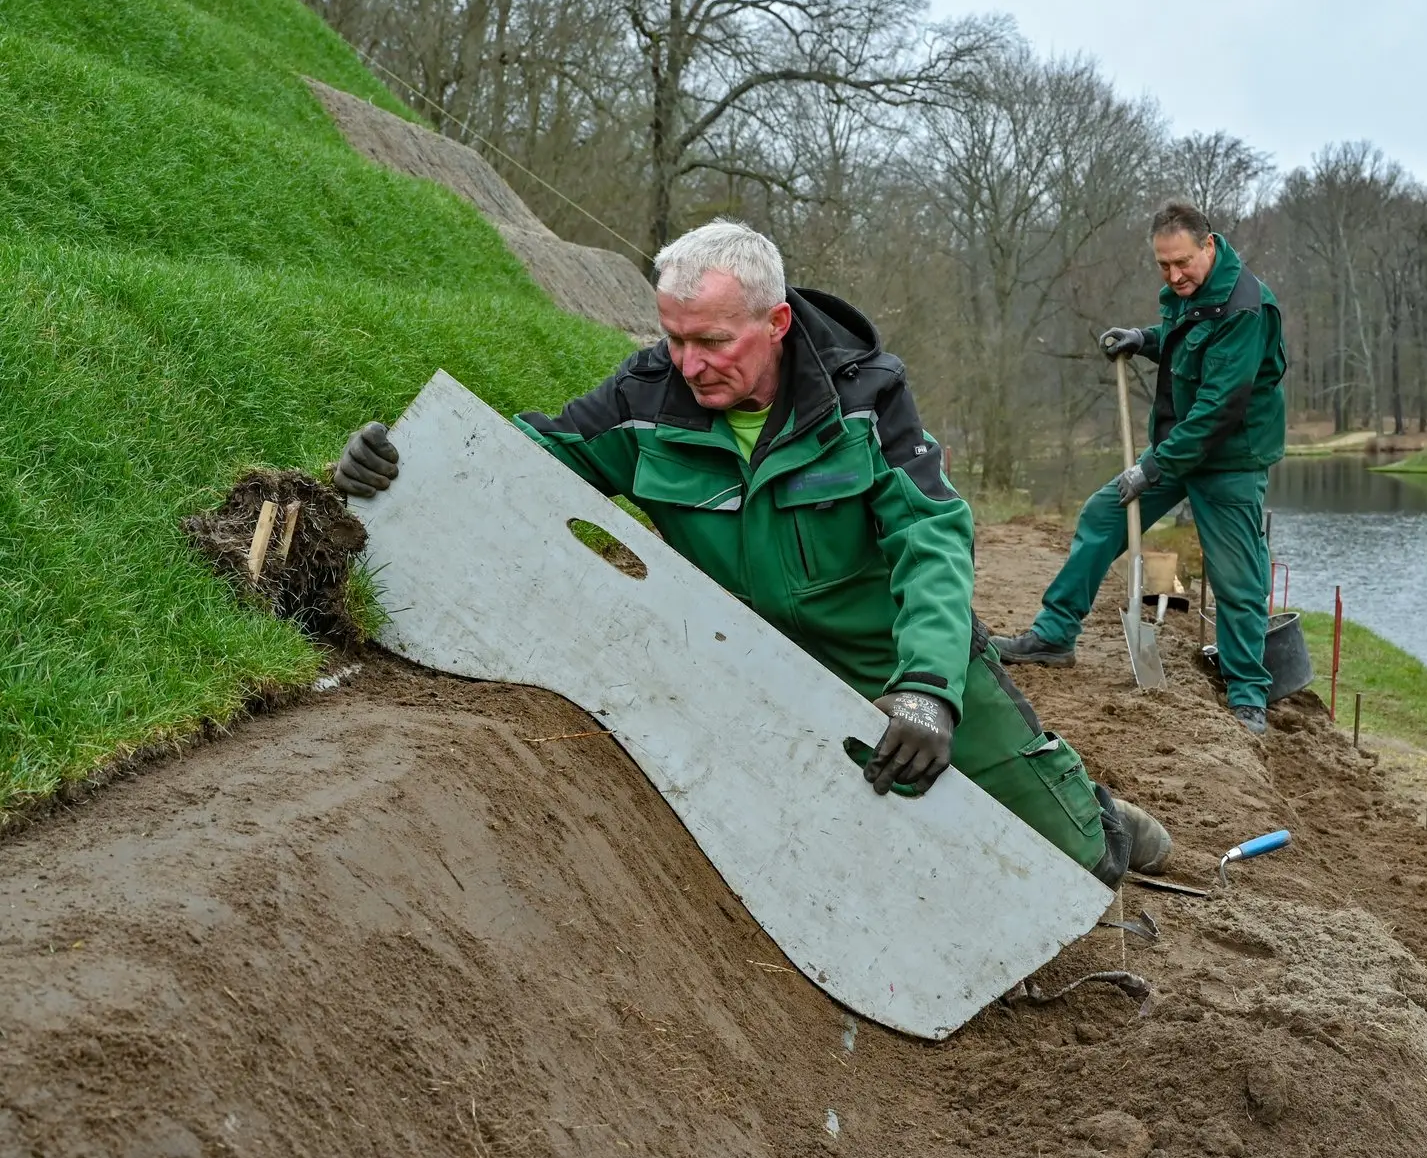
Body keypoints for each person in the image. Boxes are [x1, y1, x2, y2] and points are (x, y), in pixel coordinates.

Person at [334, 219, 1170, 885]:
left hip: (885, 655)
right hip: (746, 666)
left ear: (773, 324)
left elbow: (932, 540)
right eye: (674, 339)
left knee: (1077, 863)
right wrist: (402, 462)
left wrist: (924, 692)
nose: (689, 365)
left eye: (713, 343)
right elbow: (522, 465)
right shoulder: (644, 398)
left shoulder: (866, 399)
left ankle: (1098, 814)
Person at [994, 200, 1288, 735]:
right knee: (1103, 517)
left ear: (1209, 245)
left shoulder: (1246, 308)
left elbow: (1218, 409)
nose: (1174, 275)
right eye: (1163, 265)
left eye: (1182, 263)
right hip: (1178, 448)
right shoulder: (1190, 293)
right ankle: (1055, 634)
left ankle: (1248, 695)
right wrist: (1145, 339)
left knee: (1237, 579)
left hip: (1228, 459)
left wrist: (1152, 467)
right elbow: (1186, 343)